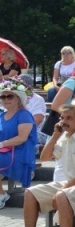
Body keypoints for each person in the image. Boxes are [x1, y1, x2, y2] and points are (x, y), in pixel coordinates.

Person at [0, 79, 37, 208]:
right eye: (3, 96)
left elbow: (22, 138)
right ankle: (1, 193)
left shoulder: (24, 115)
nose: (6, 99)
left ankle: (1, 195)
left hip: (20, 151)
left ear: (18, 98)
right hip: (4, 150)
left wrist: (2, 144)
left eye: (10, 96)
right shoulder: (1, 115)